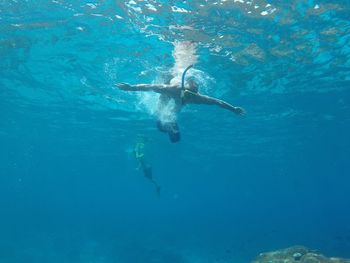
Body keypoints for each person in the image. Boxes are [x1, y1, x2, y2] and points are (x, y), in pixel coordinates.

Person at [116, 66, 245, 143]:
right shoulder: (172, 89)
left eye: (192, 95)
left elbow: (218, 102)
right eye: (190, 94)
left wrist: (233, 109)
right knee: (161, 108)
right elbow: (149, 86)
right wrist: (130, 87)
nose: (191, 97)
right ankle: (164, 125)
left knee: (176, 108)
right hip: (170, 88)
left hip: (179, 95)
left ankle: (169, 126)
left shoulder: (197, 98)